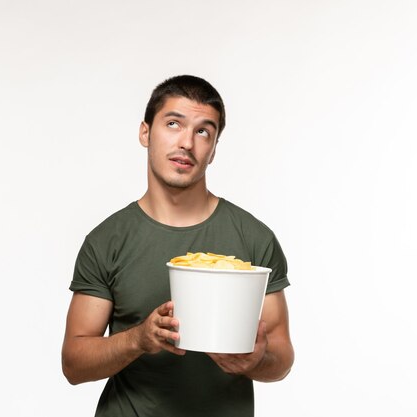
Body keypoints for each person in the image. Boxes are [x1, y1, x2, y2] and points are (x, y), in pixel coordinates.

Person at [62, 75, 294, 417]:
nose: (187, 142)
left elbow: (282, 358)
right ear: (145, 133)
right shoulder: (107, 241)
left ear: (214, 149)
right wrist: (139, 338)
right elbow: (74, 364)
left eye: (203, 131)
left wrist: (256, 360)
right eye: (173, 124)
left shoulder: (254, 239)